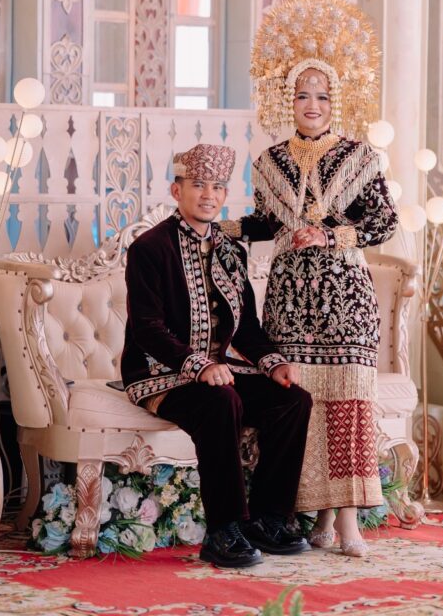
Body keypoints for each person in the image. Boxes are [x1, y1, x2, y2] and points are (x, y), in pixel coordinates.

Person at [221, 0, 399, 557]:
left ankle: (347, 521)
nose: (312, 104)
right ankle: (315, 520)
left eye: (322, 95)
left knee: (348, 404)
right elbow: (269, 223)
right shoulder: (268, 162)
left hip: (345, 299)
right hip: (291, 299)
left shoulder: (360, 157)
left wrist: (330, 235)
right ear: (287, 99)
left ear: (336, 100)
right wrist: (221, 228)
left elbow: (384, 221)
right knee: (304, 407)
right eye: (302, 94)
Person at [121, 143, 312, 568]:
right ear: (177, 190)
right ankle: (223, 530)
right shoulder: (149, 248)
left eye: (218, 187)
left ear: (225, 194)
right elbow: (147, 328)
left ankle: (267, 519)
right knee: (222, 402)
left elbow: (245, 327)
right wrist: (199, 365)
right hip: (159, 372)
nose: (209, 194)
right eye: (198, 185)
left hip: (217, 372)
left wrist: (274, 363)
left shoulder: (230, 251)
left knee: (292, 400)